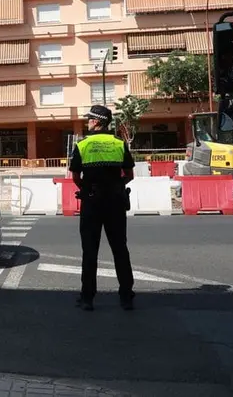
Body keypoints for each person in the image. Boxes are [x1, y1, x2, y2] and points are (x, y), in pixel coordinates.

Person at [68, 105, 136, 312]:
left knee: (90, 251)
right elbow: (130, 175)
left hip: (92, 201)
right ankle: (126, 297)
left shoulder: (83, 145)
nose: (87, 122)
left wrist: (88, 189)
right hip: (115, 201)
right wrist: (115, 186)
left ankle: (87, 298)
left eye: (90, 119)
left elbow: (75, 177)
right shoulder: (119, 143)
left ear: (97, 121)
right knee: (120, 249)